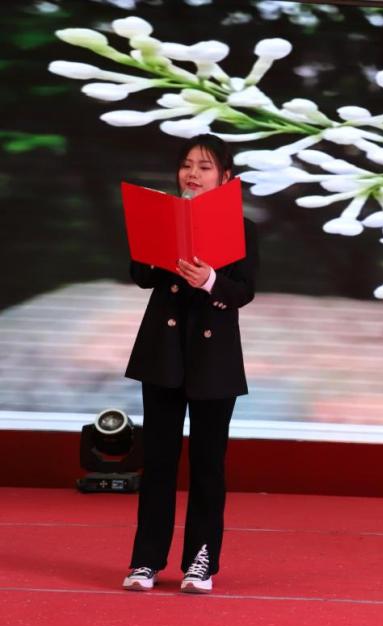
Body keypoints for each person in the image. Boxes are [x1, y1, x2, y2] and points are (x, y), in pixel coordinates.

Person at [122, 133, 258, 594]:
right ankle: (146, 561)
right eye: (187, 165)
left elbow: (243, 292)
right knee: (158, 461)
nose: (193, 174)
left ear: (226, 177)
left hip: (214, 359)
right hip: (163, 353)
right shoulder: (162, 216)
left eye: (204, 166)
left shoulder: (242, 226)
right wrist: (159, 244)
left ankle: (201, 562)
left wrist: (210, 279)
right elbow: (140, 276)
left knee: (207, 464)